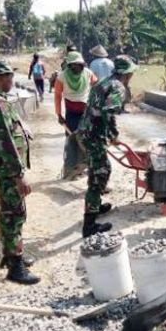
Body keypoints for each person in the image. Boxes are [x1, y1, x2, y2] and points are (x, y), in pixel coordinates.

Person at [0, 60, 40, 285]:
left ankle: (9, 253)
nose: (11, 81)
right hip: (6, 170)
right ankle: (15, 266)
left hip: (3, 168)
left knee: (9, 210)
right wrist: (18, 175)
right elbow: (5, 142)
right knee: (15, 213)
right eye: (8, 77)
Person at [78, 55, 137, 237]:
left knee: (100, 170)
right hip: (94, 135)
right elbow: (108, 111)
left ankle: (95, 207)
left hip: (86, 131)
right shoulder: (118, 87)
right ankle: (89, 226)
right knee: (99, 175)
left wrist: (111, 135)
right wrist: (113, 134)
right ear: (127, 74)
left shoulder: (104, 82)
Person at [54, 51, 99, 180]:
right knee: (72, 140)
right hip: (71, 113)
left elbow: (97, 86)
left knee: (87, 140)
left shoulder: (88, 73)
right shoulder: (61, 77)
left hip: (85, 113)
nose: (78, 68)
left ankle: (84, 169)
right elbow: (57, 96)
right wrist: (58, 113)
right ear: (69, 65)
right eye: (74, 65)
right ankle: (69, 169)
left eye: (80, 65)